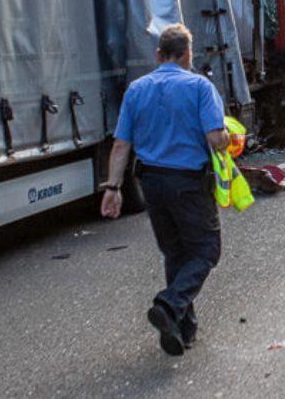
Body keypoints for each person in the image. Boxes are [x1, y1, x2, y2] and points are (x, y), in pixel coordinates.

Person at [101, 24, 229, 356]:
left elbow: (120, 145)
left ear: (159, 54)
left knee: (175, 253)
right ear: (188, 54)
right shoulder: (200, 86)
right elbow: (216, 139)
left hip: (151, 185)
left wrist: (113, 188)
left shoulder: (136, 89)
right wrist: (229, 138)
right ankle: (170, 304)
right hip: (188, 182)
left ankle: (182, 329)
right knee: (205, 251)